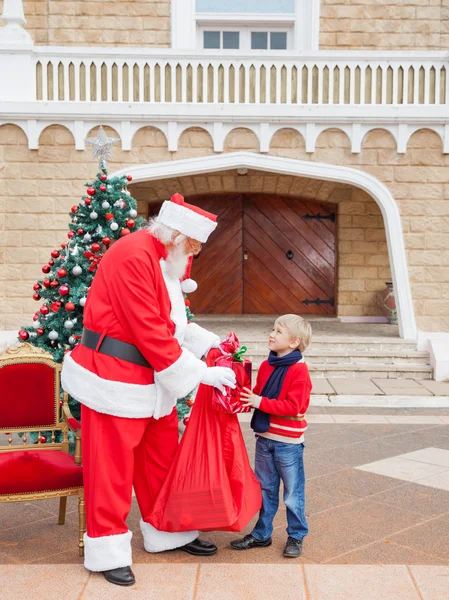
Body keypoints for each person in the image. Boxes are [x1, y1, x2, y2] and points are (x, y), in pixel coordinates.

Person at [61, 193, 236, 586]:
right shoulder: (134, 256)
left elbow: (172, 322)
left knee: (161, 460)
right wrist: (200, 375)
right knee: (111, 469)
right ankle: (106, 549)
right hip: (115, 378)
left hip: (153, 381)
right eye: (193, 245)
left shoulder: (165, 258)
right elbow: (149, 330)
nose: (196, 253)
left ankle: (167, 532)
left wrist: (208, 343)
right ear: (176, 235)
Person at [230, 315, 312, 558]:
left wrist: (259, 402)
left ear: (294, 342)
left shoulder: (299, 371)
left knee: (292, 492)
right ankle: (261, 534)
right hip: (264, 437)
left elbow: (295, 407)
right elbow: (257, 394)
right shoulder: (267, 366)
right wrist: (240, 393)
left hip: (288, 442)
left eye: (279, 331)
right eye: (273, 329)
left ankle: (296, 535)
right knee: (265, 488)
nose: (272, 334)